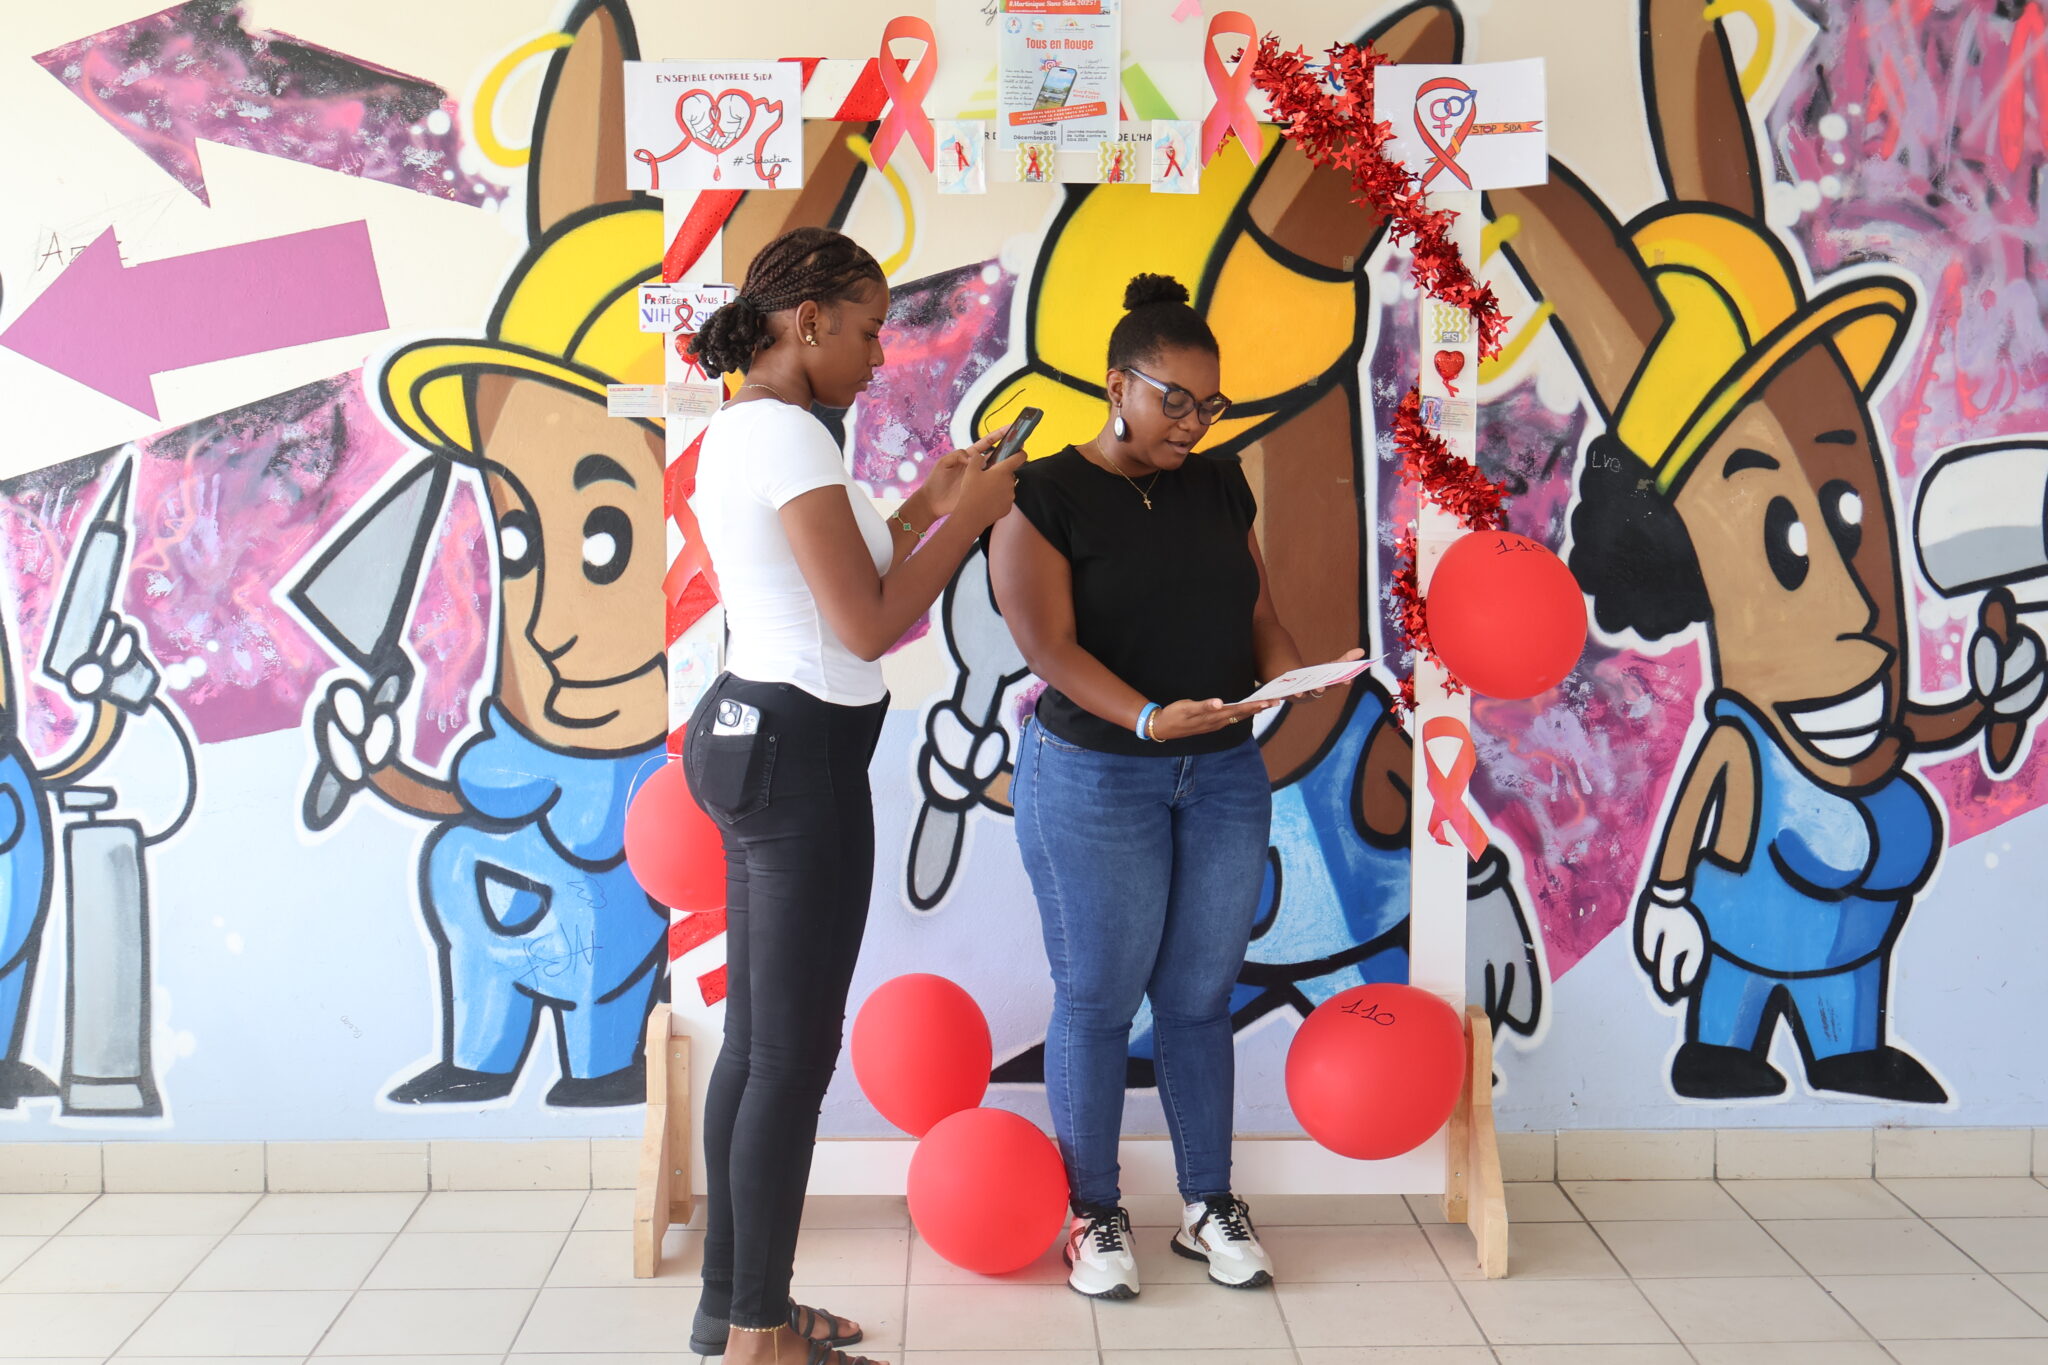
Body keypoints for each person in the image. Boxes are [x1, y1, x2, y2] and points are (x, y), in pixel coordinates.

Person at [682, 227, 1024, 1364]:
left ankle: (732, 1308)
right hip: (802, 758)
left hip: (746, 733)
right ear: (808, 319)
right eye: (870, 331)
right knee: (788, 1060)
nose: (880, 356)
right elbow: (869, 622)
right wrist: (971, 522)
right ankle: (760, 1334)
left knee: (752, 1050)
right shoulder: (791, 436)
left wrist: (930, 499)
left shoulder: (746, 427)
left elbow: (833, 570)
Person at [988, 273, 1362, 1300]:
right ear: (1118, 385)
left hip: (1222, 774)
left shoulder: (1218, 483)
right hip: (1095, 778)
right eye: (1175, 401)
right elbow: (1048, 648)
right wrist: (1149, 718)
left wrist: (1289, 683)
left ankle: (1208, 1206)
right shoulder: (1040, 496)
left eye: (1211, 405)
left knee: (1198, 998)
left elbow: (1258, 616)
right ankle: (1093, 1213)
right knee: (1099, 998)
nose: (1195, 424)